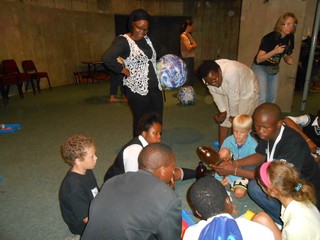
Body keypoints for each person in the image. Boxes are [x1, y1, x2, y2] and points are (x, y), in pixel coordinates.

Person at [211, 103, 320, 225]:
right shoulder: (268, 134)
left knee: (255, 188)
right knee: (249, 169)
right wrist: (234, 163)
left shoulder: (292, 144)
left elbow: (276, 179)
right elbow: (260, 155)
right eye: (257, 127)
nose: (260, 131)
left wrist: (233, 170)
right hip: (278, 174)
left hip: (300, 186)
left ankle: (283, 221)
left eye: (264, 127)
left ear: (279, 124)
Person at [81, 143, 182, 240]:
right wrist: (168, 192)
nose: (173, 171)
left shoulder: (112, 181)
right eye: (172, 167)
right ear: (162, 170)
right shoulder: (169, 199)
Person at [103, 9, 167, 136]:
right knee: (141, 121)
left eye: (146, 29)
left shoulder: (149, 40)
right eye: (140, 28)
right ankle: (138, 148)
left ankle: (155, 146)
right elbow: (107, 58)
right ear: (132, 24)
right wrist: (123, 70)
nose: (142, 32)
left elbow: (163, 52)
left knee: (157, 119)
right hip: (137, 90)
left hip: (155, 88)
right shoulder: (124, 41)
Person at [104, 113, 196, 183]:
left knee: (169, 172)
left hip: (138, 178)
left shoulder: (150, 147)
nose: (159, 136)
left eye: (160, 133)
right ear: (144, 133)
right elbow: (133, 182)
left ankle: (201, 173)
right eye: (155, 133)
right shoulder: (134, 151)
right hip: (117, 184)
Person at [183, 175, 276, 240]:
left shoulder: (191, 234)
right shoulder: (259, 231)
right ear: (228, 201)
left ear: (198, 213)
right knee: (263, 218)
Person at [197, 59, 259, 146]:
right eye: (210, 82)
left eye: (215, 79)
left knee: (239, 122)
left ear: (220, 71)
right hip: (228, 90)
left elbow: (233, 97)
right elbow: (215, 94)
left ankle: (236, 150)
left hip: (246, 89)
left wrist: (234, 116)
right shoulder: (207, 80)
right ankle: (222, 150)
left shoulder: (231, 72)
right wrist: (223, 111)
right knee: (225, 120)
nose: (214, 83)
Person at [254, 161, 320, 240]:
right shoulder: (298, 195)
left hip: (296, 233)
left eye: (260, 185)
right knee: (261, 217)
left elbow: (294, 231)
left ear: (273, 192)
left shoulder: (294, 228)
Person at [58, 135, 99, 238]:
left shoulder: (87, 169)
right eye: (92, 156)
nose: (96, 158)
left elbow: (95, 192)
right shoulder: (73, 188)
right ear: (77, 160)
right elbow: (87, 219)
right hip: (82, 225)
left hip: (94, 207)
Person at [252, 12, 297, 104]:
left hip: (274, 68)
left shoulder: (290, 38)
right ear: (281, 24)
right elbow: (259, 59)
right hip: (261, 67)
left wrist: (288, 58)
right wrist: (274, 51)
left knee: (272, 97)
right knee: (262, 98)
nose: (290, 27)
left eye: (292, 24)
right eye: (288, 24)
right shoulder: (270, 38)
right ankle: (259, 118)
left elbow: (285, 53)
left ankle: (269, 118)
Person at [215, 114, 258, 199]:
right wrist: (219, 178)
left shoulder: (254, 145)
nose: (238, 135)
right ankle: (221, 177)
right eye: (235, 131)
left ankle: (244, 185)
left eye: (242, 132)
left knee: (239, 194)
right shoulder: (228, 140)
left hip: (243, 173)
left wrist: (231, 179)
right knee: (223, 152)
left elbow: (250, 169)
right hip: (229, 168)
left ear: (249, 131)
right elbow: (219, 160)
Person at [180, 19, 197, 87]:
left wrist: (192, 45)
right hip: (186, 59)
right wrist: (193, 46)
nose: (192, 28)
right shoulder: (183, 36)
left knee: (190, 76)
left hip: (190, 58)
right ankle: (185, 92)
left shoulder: (188, 35)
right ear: (188, 26)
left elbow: (195, 44)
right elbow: (189, 48)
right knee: (187, 76)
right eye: (191, 26)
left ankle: (189, 91)